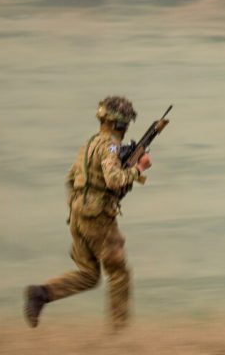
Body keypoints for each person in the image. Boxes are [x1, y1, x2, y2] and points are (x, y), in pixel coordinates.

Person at [24, 95, 152, 331]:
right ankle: (119, 333)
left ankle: (42, 293)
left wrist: (83, 204)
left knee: (89, 275)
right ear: (118, 123)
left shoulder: (89, 144)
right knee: (119, 273)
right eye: (125, 124)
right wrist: (138, 169)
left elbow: (71, 179)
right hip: (97, 217)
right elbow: (114, 180)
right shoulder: (111, 146)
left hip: (77, 215)